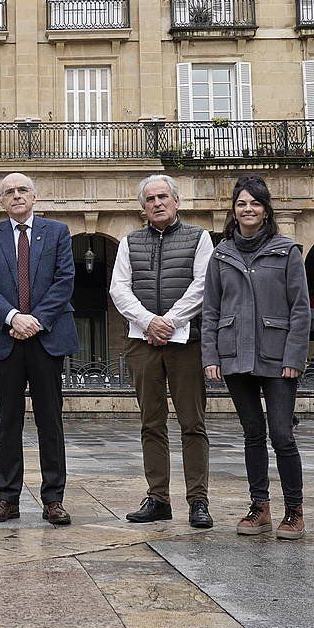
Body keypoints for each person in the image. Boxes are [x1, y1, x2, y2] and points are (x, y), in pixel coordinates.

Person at [201, 176, 311, 539]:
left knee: (282, 434)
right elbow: (211, 310)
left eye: (255, 204)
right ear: (233, 211)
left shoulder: (287, 250)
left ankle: (294, 510)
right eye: (242, 203)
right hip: (234, 355)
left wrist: (294, 354)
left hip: (278, 357)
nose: (248, 209)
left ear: (266, 211)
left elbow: (300, 309)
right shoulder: (221, 254)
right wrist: (210, 355)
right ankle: (259, 506)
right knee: (252, 434)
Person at [0, 173, 78, 526]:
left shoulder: (58, 232)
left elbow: (65, 281)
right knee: (8, 421)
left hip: (46, 339)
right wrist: (14, 317)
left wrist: (36, 320)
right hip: (5, 340)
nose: (16, 196)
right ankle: (8, 498)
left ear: (34, 196)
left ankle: (53, 499)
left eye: (22, 190)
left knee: (51, 420)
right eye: (8, 192)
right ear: (2, 202)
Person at [109, 174, 214, 529]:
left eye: (163, 197)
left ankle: (198, 501)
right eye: (150, 199)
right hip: (143, 343)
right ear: (143, 208)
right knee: (150, 423)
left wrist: (168, 321)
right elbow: (119, 289)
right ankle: (158, 498)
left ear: (176, 201)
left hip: (186, 342)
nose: (157, 203)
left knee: (192, 423)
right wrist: (148, 322)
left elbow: (203, 285)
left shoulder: (199, 239)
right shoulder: (129, 242)